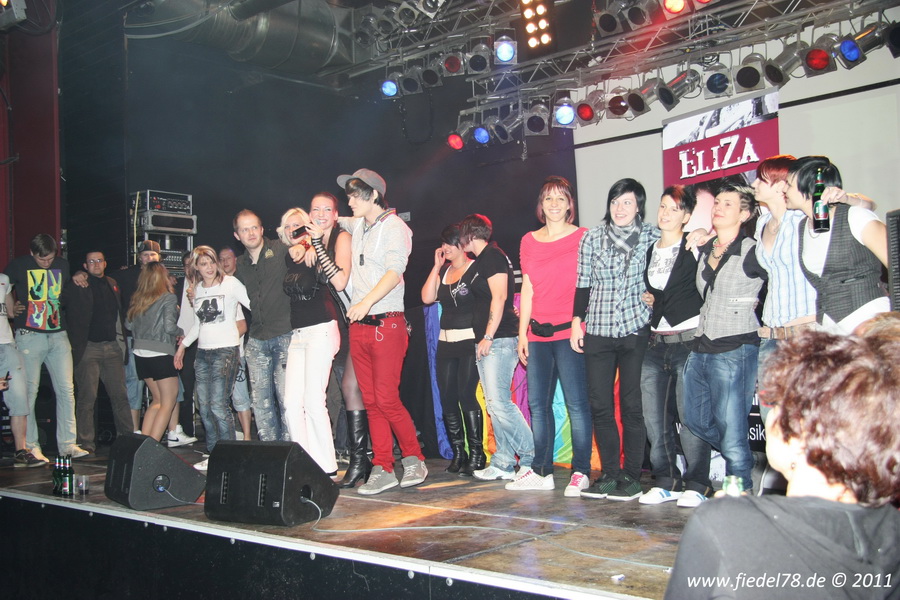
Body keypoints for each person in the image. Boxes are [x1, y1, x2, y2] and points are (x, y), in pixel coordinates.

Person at [665, 330, 900, 599]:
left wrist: (734, 519)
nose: (771, 414)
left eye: (777, 403)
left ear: (800, 430)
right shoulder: (891, 529)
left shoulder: (720, 523)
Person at [336, 168, 427, 495]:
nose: (349, 202)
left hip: (386, 323)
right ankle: (383, 467)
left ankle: (414, 458)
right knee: (371, 402)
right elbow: (338, 220)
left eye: (355, 195)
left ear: (374, 194)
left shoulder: (395, 227)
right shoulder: (359, 223)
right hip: (359, 328)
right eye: (348, 196)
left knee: (387, 398)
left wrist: (366, 302)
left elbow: (394, 271)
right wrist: (315, 220)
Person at [572, 179, 659, 501]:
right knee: (600, 405)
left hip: (636, 327)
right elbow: (583, 283)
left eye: (626, 202)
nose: (619, 209)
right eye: (615, 202)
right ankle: (609, 473)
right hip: (599, 328)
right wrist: (576, 322)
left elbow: (665, 274)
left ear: (638, 207)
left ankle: (632, 475)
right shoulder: (592, 237)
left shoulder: (653, 236)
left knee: (632, 406)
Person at [682, 182, 765, 494]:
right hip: (700, 346)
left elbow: (780, 277)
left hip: (735, 347)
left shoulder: (753, 251)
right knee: (695, 420)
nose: (718, 207)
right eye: (717, 202)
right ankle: (741, 455)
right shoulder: (705, 247)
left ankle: (740, 489)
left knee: (731, 429)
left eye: (728, 203)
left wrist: (759, 306)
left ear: (745, 214)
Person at [515, 176, 591, 496]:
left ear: (570, 204)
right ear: (541, 205)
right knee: (538, 405)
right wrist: (522, 334)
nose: (555, 204)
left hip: (570, 333)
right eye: (549, 198)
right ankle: (542, 470)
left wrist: (579, 323)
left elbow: (588, 285)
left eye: (561, 198)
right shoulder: (528, 241)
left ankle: (581, 471)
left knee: (577, 405)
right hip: (537, 335)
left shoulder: (583, 236)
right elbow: (528, 289)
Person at [639, 185, 713, 508]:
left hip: (689, 340)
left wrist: (704, 234)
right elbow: (662, 291)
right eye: (663, 206)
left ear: (686, 216)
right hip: (656, 341)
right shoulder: (651, 250)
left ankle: (698, 483)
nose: (666, 213)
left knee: (691, 416)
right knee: (654, 418)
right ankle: (667, 480)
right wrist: (653, 299)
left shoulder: (694, 244)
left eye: (674, 208)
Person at [458, 214, 534, 485]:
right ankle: (503, 461)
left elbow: (500, 297)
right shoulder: (483, 260)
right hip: (489, 339)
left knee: (500, 403)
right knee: (494, 404)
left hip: (499, 338)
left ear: (469, 234)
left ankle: (530, 459)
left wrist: (489, 335)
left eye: (462, 235)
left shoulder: (492, 256)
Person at [3, 234, 87, 460]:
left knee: (66, 389)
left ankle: (68, 444)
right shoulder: (19, 265)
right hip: (30, 335)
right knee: (30, 391)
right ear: (32, 253)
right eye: (42, 260)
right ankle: (31, 446)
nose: (47, 263)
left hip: (58, 333)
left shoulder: (63, 265)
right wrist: (11, 309)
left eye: (50, 258)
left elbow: (69, 286)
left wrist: (77, 275)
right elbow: (3, 285)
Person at [785, 155, 889, 334]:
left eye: (788, 185)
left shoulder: (855, 216)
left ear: (809, 187)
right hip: (830, 326)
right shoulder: (803, 226)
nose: (783, 190)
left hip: (868, 318)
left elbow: (895, 263)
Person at [306, 192, 368, 488]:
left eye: (326, 209)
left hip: (366, 317)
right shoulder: (315, 243)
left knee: (354, 388)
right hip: (347, 322)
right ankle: (360, 460)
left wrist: (317, 245)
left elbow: (341, 281)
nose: (320, 214)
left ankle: (364, 459)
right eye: (315, 209)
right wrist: (307, 246)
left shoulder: (341, 238)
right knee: (350, 389)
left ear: (335, 215)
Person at [276, 207, 343, 476]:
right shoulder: (288, 256)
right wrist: (300, 246)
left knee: (314, 400)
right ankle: (303, 463)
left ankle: (327, 466)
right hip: (299, 334)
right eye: (288, 225)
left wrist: (312, 245)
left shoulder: (317, 249)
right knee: (291, 402)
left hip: (321, 329)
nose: (293, 229)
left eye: (298, 224)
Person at [174, 246, 251, 468]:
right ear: (196, 267)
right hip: (202, 353)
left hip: (225, 351)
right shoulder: (197, 289)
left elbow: (254, 305)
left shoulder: (231, 283)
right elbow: (199, 325)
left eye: (211, 262)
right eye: (203, 264)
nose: (208, 268)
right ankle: (214, 453)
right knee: (205, 407)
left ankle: (227, 456)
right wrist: (182, 348)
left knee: (218, 405)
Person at [421, 224, 483, 475]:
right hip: (446, 343)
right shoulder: (444, 271)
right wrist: (436, 267)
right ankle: (459, 452)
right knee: (447, 398)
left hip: (469, 341)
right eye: (443, 243)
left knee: (466, 395)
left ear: (463, 244)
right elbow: (427, 298)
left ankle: (477, 453)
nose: (445, 247)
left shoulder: (475, 268)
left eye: (450, 242)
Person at [62, 251, 133, 452]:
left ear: (105, 263)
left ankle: (127, 439)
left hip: (111, 347)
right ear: (85, 266)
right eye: (91, 261)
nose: (96, 264)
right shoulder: (78, 284)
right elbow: (59, 304)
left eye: (99, 260)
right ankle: (86, 443)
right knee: (87, 397)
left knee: (120, 396)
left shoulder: (112, 283)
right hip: (88, 348)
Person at [233, 210, 293, 442]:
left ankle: (289, 451)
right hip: (257, 339)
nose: (250, 233)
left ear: (261, 229)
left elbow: (304, 243)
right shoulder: (240, 264)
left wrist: (305, 248)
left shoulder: (280, 249)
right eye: (244, 229)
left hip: (284, 334)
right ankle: (269, 450)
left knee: (287, 399)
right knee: (260, 402)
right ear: (237, 235)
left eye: (254, 227)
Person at [126, 262, 181, 442]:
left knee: (157, 400)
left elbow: (128, 325)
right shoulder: (168, 298)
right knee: (168, 401)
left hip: (140, 353)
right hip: (161, 352)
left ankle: (143, 444)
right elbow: (169, 327)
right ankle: (151, 447)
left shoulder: (138, 298)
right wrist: (182, 333)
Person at [115, 240, 161, 432]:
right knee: (134, 382)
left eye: (152, 255)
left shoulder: (162, 276)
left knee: (163, 388)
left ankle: (164, 430)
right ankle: (134, 431)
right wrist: (81, 274)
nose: (149, 258)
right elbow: (102, 277)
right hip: (134, 337)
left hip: (157, 340)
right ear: (139, 258)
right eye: (145, 255)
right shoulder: (126, 275)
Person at [1, 273, 44, 467]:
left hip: (7, 345)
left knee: (20, 399)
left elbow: (10, 312)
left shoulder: (3, 280)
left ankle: (21, 450)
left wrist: (19, 307)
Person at [218, 246, 252, 440]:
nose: (224, 262)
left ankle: (247, 437)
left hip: (239, 348)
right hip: (218, 353)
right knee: (219, 399)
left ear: (235, 260)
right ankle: (229, 437)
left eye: (228, 258)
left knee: (241, 396)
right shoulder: (214, 287)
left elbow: (244, 323)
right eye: (221, 259)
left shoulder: (238, 283)